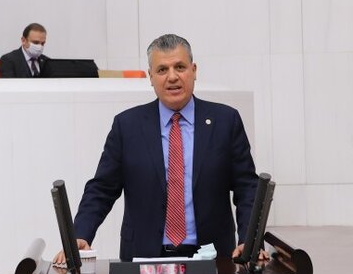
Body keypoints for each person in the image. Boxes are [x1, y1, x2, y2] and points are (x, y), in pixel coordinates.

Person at [60, 34, 261, 262]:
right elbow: (102, 189)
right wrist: (80, 234)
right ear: (151, 77)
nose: (172, 77)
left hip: (212, 258)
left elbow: (247, 187)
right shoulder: (127, 126)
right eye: (162, 70)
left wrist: (249, 240)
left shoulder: (225, 121)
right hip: (143, 258)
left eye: (180, 67)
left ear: (194, 70)